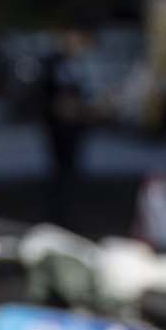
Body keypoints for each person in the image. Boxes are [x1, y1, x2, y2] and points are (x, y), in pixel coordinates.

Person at [35, 25, 100, 216]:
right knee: (59, 170)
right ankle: (58, 211)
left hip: (75, 125)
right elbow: (48, 95)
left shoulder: (79, 63)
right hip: (58, 125)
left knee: (71, 169)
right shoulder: (54, 63)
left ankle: (67, 209)